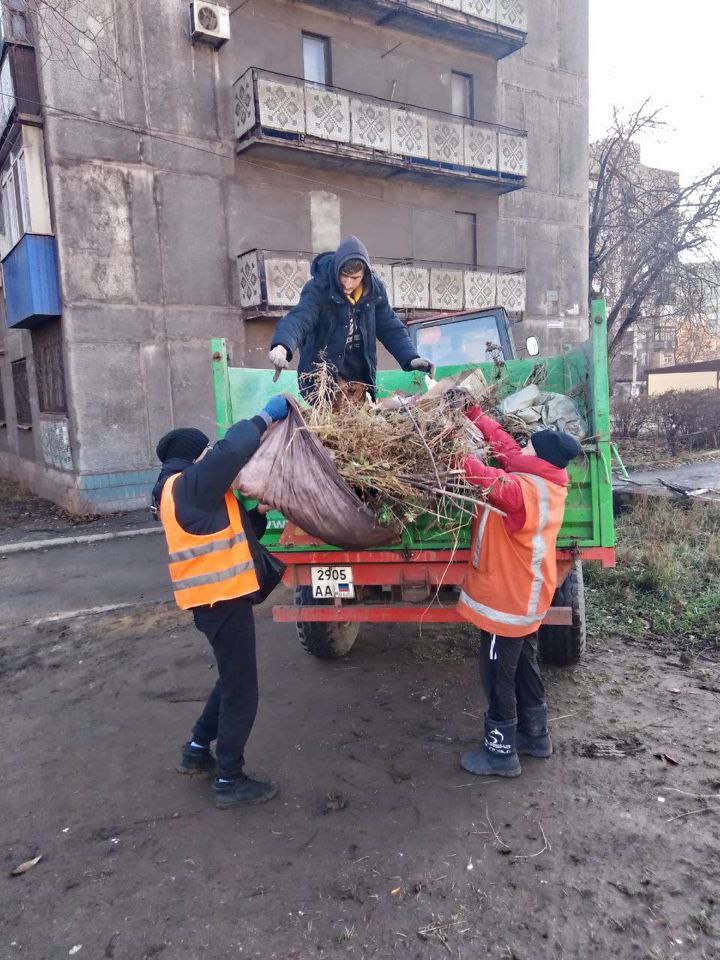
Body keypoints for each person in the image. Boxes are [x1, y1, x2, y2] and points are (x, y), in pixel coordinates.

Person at [151, 395, 290, 809]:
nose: (210, 455)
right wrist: (265, 416)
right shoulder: (187, 485)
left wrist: (260, 514)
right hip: (221, 601)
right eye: (204, 452)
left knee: (230, 680)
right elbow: (231, 449)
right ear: (193, 457)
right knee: (242, 690)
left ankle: (196, 749)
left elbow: (229, 531)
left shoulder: (182, 494)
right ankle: (229, 779)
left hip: (213, 603)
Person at [456, 406, 582, 778]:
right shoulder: (547, 481)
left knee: (497, 675)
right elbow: (507, 449)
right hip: (527, 597)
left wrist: (446, 438)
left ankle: (501, 753)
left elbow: (479, 474)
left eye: (530, 444)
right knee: (524, 666)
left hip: (505, 604)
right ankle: (535, 736)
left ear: (538, 456)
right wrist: (474, 414)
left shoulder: (519, 492)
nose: (522, 446)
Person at [268, 235, 434, 400]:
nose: (348, 284)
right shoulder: (319, 289)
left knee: (359, 421)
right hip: (323, 378)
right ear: (336, 270)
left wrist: (411, 357)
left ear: (365, 274)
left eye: (355, 278)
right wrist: (282, 347)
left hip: (359, 376)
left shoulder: (374, 291)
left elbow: (390, 327)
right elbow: (299, 319)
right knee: (330, 422)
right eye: (344, 276)